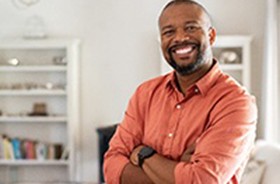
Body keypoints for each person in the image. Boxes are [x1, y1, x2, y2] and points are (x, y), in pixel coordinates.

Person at [104, 0, 257, 183]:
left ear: (211, 36)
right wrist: (177, 172)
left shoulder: (235, 102)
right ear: (161, 41)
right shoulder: (145, 93)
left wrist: (145, 154)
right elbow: (111, 166)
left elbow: (202, 180)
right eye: (169, 32)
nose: (180, 38)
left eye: (191, 28)